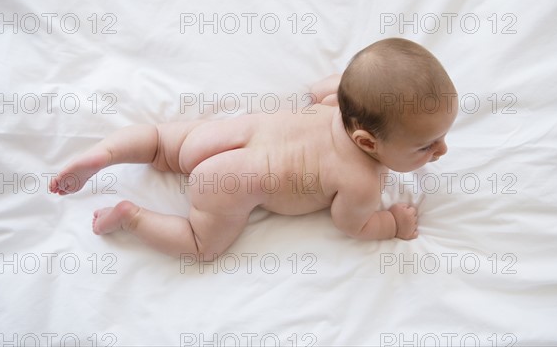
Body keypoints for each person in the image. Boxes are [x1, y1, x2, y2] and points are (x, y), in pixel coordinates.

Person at [49, 38, 458, 261]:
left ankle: (105, 153)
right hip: (229, 185)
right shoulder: (363, 182)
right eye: (425, 145)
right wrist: (393, 224)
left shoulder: (338, 98)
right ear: (367, 142)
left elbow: (329, 85)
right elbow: (353, 226)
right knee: (200, 245)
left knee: (158, 141)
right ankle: (131, 218)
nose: (440, 150)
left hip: (224, 137)